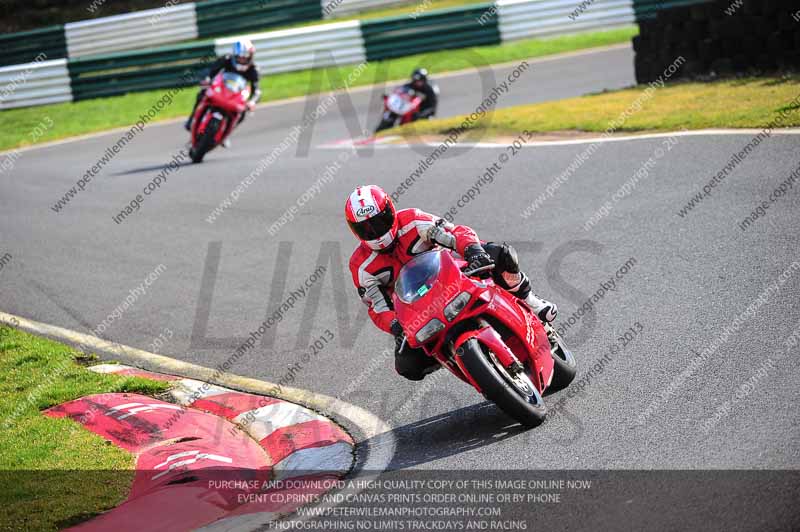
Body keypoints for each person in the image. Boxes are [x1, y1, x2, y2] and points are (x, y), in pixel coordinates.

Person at [345, 185, 558, 381]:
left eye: (379, 222)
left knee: (501, 254)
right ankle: (455, 356)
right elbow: (377, 307)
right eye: (367, 229)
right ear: (356, 232)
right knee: (407, 365)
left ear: (390, 210)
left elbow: (453, 233)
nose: (376, 232)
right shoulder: (361, 266)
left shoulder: (412, 220)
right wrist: (394, 324)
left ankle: (531, 302)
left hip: (452, 277)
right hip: (418, 311)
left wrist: (473, 250)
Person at [184, 38, 262, 147]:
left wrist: (252, 102)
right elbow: (211, 73)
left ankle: (226, 134)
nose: (243, 59)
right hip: (221, 88)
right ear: (235, 55)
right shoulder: (226, 59)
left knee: (242, 113)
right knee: (202, 93)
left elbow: (256, 90)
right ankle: (191, 120)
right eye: (241, 56)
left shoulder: (254, 69)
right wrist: (207, 80)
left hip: (236, 95)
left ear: (251, 56)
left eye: (246, 56)